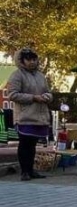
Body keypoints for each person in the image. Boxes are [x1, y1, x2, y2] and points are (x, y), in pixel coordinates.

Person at [7, 47, 53, 181]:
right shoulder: (17, 75)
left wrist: (47, 97)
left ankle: (31, 170)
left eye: (34, 59)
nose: (32, 62)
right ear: (22, 61)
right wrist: (33, 98)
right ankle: (24, 171)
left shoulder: (40, 75)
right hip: (24, 116)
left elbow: (49, 92)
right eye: (28, 59)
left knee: (32, 144)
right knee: (24, 143)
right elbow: (13, 94)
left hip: (39, 116)